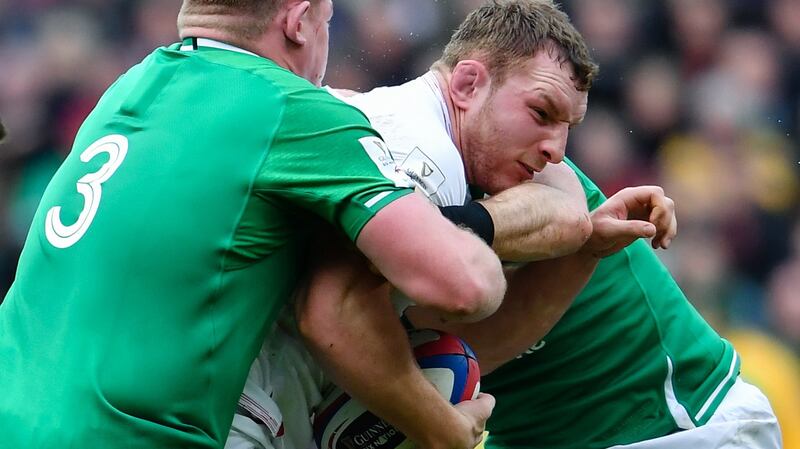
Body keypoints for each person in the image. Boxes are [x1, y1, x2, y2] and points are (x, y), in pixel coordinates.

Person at [231, 1, 780, 449]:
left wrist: (454, 230)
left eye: (569, 126)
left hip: (676, 422)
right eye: (542, 113)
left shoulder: (503, 169)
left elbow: (562, 221)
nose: (556, 149)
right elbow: (456, 340)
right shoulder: (417, 148)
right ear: (468, 85)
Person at [0, 1, 509, 448]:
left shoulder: (127, 85)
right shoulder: (293, 108)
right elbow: (464, 285)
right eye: (328, 21)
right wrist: (481, 217)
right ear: (298, 20)